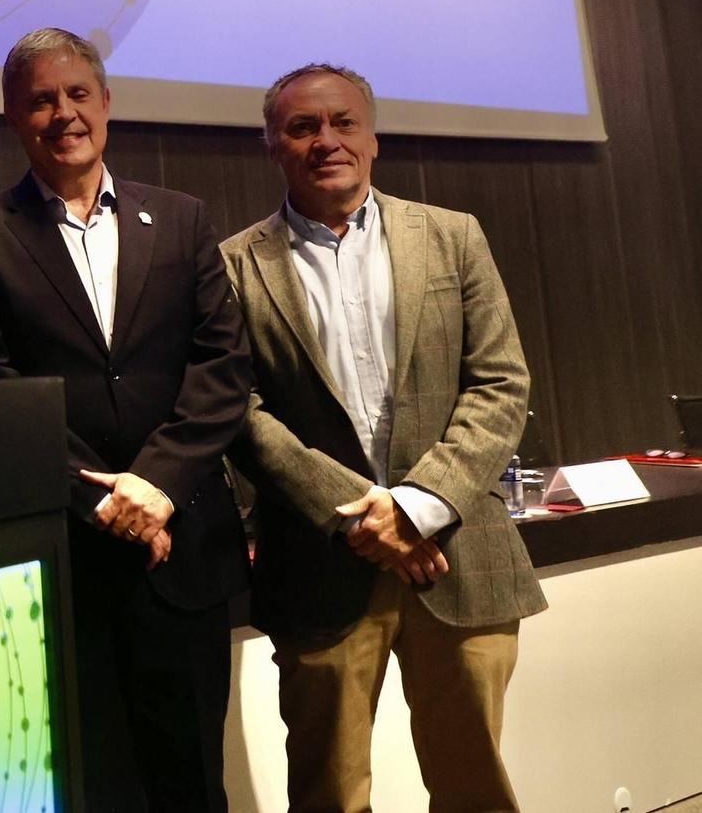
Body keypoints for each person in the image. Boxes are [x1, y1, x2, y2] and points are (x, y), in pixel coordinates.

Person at [0, 27, 251, 812]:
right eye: (41, 99)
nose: (63, 112)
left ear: (107, 104)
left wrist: (158, 485)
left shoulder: (181, 219)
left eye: (78, 93)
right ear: (13, 117)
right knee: (94, 786)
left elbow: (221, 368)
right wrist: (105, 499)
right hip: (68, 557)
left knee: (192, 787)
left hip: (183, 556)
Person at [221, 63, 544, 812]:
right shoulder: (234, 265)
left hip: (457, 558)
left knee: (477, 790)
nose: (324, 139)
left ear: (373, 137)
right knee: (329, 795)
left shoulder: (454, 236)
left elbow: (501, 382)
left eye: (342, 122)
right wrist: (366, 514)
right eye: (302, 126)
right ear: (273, 143)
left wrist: (418, 506)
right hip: (319, 567)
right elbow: (239, 411)